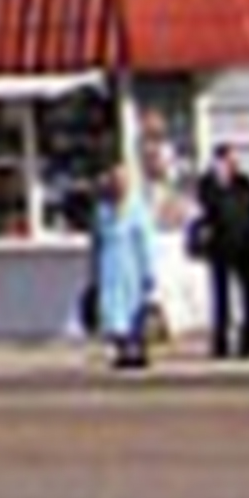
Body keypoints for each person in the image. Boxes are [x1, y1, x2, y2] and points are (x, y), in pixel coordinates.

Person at [193, 148, 249, 362]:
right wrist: (220, 182)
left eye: (234, 161)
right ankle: (221, 342)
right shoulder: (209, 185)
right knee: (222, 297)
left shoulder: (245, 184)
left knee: (248, 296)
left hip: (246, 246)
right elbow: (208, 209)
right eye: (228, 160)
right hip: (221, 247)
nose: (232, 164)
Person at [88, 154, 163, 372]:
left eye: (122, 180)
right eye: (115, 180)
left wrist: (149, 272)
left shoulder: (137, 209)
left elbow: (145, 243)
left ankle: (138, 349)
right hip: (110, 269)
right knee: (113, 311)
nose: (118, 184)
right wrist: (94, 273)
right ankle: (121, 350)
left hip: (132, 269)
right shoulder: (103, 211)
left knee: (136, 311)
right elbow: (97, 243)